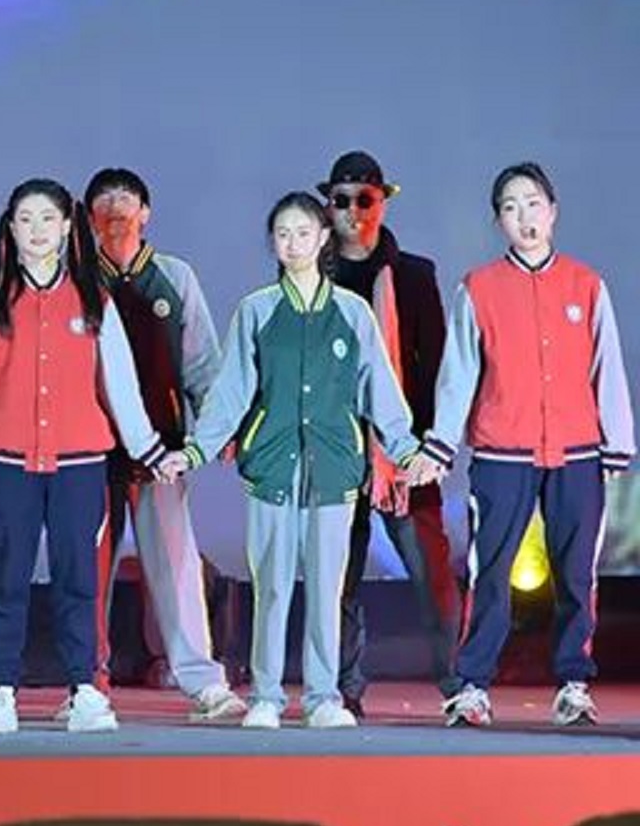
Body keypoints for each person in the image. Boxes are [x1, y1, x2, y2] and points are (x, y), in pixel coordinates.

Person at [160, 192, 421, 730]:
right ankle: (267, 695)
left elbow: (378, 388)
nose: (294, 243)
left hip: (334, 468)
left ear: (324, 238)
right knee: (272, 585)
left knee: (327, 588)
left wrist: (405, 449)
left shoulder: (352, 313)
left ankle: (323, 696)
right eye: (283, 234)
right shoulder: (257, 311)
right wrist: (197, 448)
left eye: (304, 232)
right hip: (272, 468)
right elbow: (231, 391)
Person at [0, 179, 171, 736]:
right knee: (8, 580)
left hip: (80, 464)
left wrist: (149, 448)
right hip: (9, 462)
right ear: (10, 229)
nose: (36, 230)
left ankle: (85, 689)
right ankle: (2, 689)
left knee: (78, 580)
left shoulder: (94, 300)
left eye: (46, 218)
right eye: (25, 219)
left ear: (66, 227)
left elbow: (120, 383)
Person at [419, 163, 634, 728]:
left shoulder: (586, 285)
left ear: (553, 211)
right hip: (501, 452)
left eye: (533, 203)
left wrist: (617, 442)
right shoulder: (479, 288)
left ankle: (573, 683)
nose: (525, 217)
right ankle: (471, 685)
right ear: (499, 221)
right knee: (490, 572)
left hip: (576, 452)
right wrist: (441, 444)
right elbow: (459, 373)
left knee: (576, 575)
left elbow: (607, 364)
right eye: (511, 207)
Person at [83, 167, 244, 722]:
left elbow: (202, 362)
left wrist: (218, 430)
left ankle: (202, 680)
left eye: (126, 200)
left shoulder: (174, 277)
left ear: (146, 214)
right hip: (91, 450)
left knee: (176, 566)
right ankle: (88, 682)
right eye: (104, 202)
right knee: (87, 570)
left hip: (163, 452)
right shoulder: (79, 280)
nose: (116, 209)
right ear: (89, 219)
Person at [317, 150, 458, 718]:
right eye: (341, 200)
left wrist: (429, 444)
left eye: (365, 199)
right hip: (335, 448)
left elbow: (436, 365)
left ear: (382, 203)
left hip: (404, 450)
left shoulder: (414, 275)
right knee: (339, 578)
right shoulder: (311, 274)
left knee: (432, 573)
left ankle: (458, 684)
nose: (353, 211)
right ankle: (345, 689)